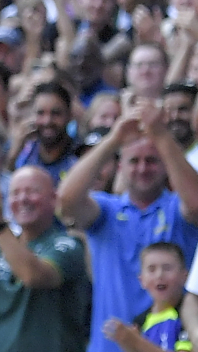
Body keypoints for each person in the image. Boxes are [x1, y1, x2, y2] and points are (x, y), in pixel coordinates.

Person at [57, 100, 198, 352]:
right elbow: (65, 202)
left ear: (165, 166)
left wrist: (161, 135)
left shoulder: (178, 209)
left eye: (152, 161)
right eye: (134, 161)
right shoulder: (106, 211)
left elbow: (197, 204)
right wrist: (114, 139)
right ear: (120, 167)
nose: (142, 168)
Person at [0, 167, 91, 352]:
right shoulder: (0, 248)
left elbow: (32, 276)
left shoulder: (68, 244)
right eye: (15, 193)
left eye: (32, 191)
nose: (22, 199)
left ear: (53, 199)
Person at [105, 242, 191, 352]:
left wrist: (136, 342)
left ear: (184, 276)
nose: (159, 274)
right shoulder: (140, 320)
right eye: (151, 269)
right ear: (141, 280)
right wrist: (125, 342)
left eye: (167, 268)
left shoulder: (189, 315)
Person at [12, 82, 78, 185]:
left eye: (55, 113)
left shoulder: (79, 157)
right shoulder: (26, 153)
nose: (47, 121)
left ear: (70, 116)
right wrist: (15, 150)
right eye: (40, 113)